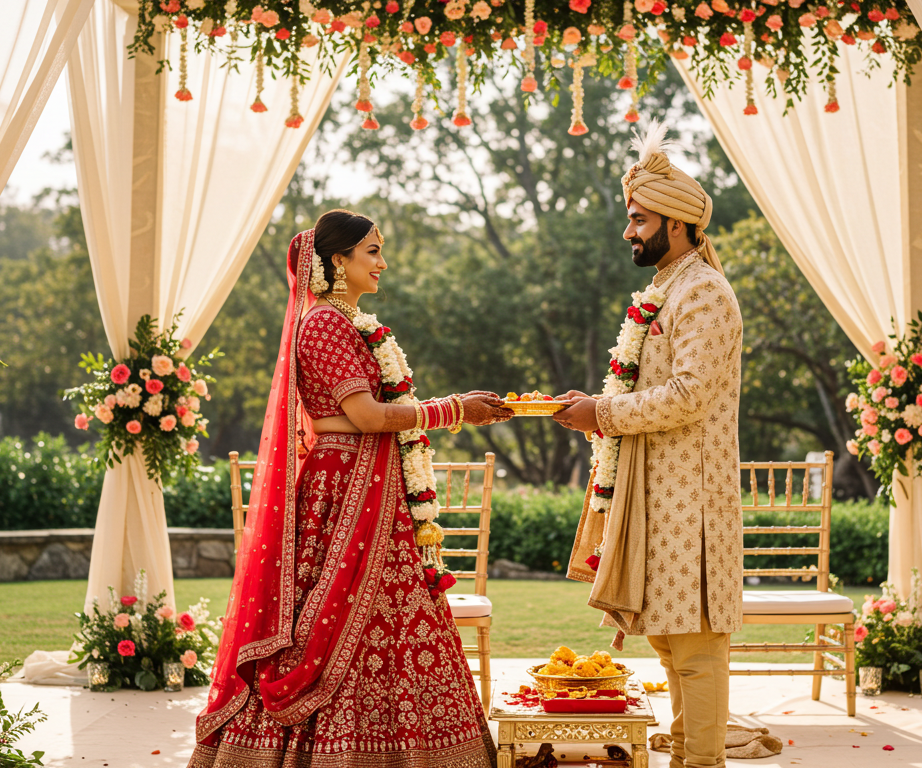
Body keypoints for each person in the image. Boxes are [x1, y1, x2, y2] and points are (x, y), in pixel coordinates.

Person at [189, 209, 511, 768]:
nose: (383, 263)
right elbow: (364, 416)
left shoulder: (349, 322)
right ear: (338, 260)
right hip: (344, 492)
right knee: (339, 622)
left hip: (371, 488)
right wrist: (454, 408)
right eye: (373, 252)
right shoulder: (325, 324)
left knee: (396, 620)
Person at [553, 123, 744, 768]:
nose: (629, 232)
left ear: (680, 223)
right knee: (668, 640)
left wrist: (600, 412)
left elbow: (690, 394)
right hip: (657, 491)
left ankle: (703, 761)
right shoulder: (668, 288)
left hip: (692, 496)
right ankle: (688, 755)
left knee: (695, 647)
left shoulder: (705, 294)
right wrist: (596, 410)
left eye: (639, 220)